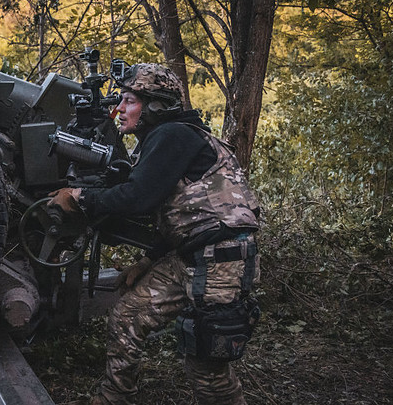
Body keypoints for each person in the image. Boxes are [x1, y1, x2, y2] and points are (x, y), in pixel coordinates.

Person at [49, 63, 261, 405]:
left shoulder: (173, 134)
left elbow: (138, 198)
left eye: (129, 101)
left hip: (221, 261)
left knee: (207, 368)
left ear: (156, 105)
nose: (119, 109)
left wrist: (79, 197)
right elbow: (181, 211)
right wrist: (149, 259)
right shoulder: (169, 138)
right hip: (192, 256)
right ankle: (115, 397)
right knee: (127, 315)